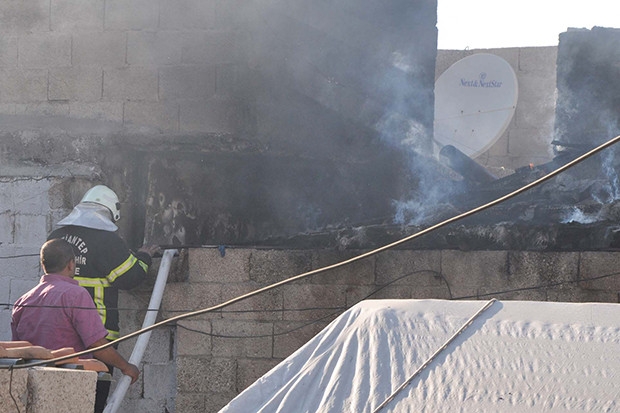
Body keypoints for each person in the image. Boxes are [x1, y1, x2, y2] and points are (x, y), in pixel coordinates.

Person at [47, 184, 159, 410]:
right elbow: (130, 278)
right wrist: (145, 257)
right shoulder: (107, 240)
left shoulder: (57, 236)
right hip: (98, 336)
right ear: (111, 212)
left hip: (56, 334)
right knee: (94, 400)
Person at [11, 239, 139, 412]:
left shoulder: (23, 301)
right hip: (69, 387)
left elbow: (18, 350)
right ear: (71, 265)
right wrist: (126, 367)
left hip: (32, 389)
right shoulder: (76, 295)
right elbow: (97, 345)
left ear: (43, 265)